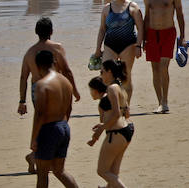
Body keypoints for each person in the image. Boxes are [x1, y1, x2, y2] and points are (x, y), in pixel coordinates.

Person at [18, 17, 80, 175]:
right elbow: (67, 71)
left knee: (45, 123)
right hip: (56, 87)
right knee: (57, 121)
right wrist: (74, 90)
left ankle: (35, 156)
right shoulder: (57, 48)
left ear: (36, 32)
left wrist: (22, 101)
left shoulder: (30, 52)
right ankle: (39, 156)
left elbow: (23, 77)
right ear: (51, 31)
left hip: (36, 88)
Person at [30, 49, 81, 188]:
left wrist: (34, 138)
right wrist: (62, 126)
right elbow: (69, 108)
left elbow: (40, 114)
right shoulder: (66, 82)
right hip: (64, 127)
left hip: (49, 129)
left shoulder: (42, 84)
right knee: (59, 170)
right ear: (54, 62)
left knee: (42, 173)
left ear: (38, 66)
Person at [140, 0, 184, 114]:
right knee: (155, 68)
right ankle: (159, 102)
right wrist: (143, 39)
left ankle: (165, 102)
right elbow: (147, 18)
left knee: (164, 66)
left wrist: (182, 37)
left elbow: (180, 14)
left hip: (168, 32)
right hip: (152, 34)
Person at [93, 0, 143, 106]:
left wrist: (139, 46)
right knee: (106, 75)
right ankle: (109, 105)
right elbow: (102, 29)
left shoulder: (133, 7)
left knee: (126, 77)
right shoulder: (107, 8)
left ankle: (125, 106)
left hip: (128, 45)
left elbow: (141, 28)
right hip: (110, 45)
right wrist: (98, 49)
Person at [86, 59, 133, 188]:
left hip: (116, 133)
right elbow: (127, 113)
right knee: (113, 173)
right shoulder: (120, 87)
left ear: (109, 71)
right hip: (125, 131)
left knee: (102, 171)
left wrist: (102, 128)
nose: (101, 75)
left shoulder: (112, 88)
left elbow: (116, 114)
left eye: (102, 72)